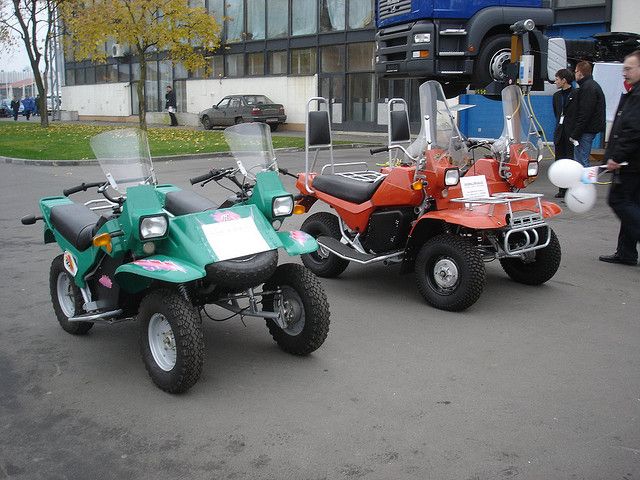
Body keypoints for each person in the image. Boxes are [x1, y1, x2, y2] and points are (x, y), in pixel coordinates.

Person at [598, 50, 640, 266]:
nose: (624, 73)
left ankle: (627, 251)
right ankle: (626, 252)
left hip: (631, 163)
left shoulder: (638, 95)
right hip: (633, 162)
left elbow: (633, 130)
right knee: (632, 203)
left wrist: (616, 157)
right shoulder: (633, 92)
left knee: (619, 200)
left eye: (628, 68)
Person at [570, 61, 606, 168]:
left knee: (581, 161)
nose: (574, 74)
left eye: (576, 71)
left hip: (585, 130)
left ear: (580, 73)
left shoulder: (587, 88)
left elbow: (585, 113)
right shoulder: (591, 85)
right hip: (588, 129)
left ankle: (584, 183)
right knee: (581, 159)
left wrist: (575, 133)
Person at [552, 68, 578, 198]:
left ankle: (571, 187)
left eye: (557, 79)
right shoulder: (556, 96)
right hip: (560, 133)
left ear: (564, 80)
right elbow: (556, 112)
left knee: (570, 160)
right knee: (559, 161)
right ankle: (561, 188)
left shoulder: (576, 94)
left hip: (570, 133)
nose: (555, 82)